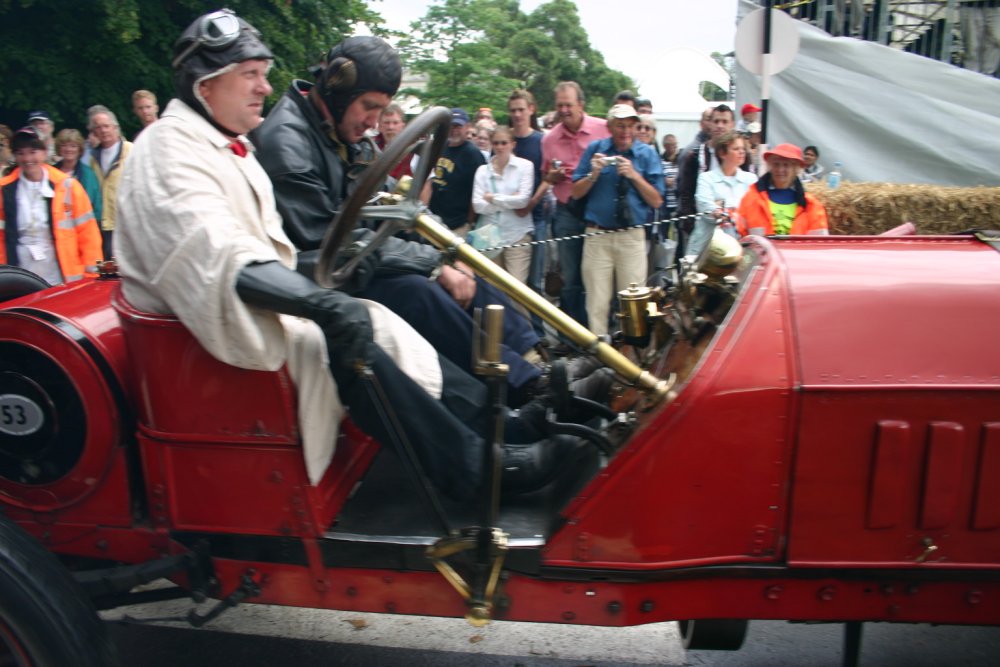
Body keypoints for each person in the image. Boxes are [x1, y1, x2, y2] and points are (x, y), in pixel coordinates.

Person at [116, 9, 586, 502]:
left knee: (376, 317)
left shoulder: (218, 145)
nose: (263, 87)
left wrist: (432, 257)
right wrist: (325, 303)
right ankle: (473, 467)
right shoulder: (170, 150)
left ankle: (503, 423)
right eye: (249, 75)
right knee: (358, 321)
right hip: (203, 328)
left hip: (240, 301)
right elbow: (221, 254)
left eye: (264, 74)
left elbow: (271, 247)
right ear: (204, 85)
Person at [251, 36, 563, 406]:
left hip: (355, 263)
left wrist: (449, 251)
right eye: (368, 107)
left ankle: (538, 360)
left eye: (380, 110)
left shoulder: (341, 133)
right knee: (420, 291)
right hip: (316, 279)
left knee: (469, 273)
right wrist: (434, 263)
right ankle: (527, 390)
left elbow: (400, 201)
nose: (372, 122)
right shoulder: (287, 143)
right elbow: (329, 242)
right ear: (337, 86)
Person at [570, 104, 664, 337]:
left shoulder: (647, 154)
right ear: (610, 127)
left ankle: (632, 355)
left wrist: (634, 175)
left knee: (633, 303)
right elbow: (575, 192)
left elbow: (656, 200)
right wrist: (593, 175)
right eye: (620, 125)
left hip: (631, 237)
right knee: (597, 302)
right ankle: (599, 357)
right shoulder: (596, 150)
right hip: (597, 235)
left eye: (630, 126)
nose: (625, 131)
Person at [538, 81, 611, 327]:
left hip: (598, 214)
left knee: (599, 276)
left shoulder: (604, 129)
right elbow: (545, 176)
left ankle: (601, 332)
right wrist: (552, 177)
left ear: (581, 104)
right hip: (567, 212)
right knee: (571, 278)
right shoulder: (549, 139)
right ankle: (573, 336)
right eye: (560, 105)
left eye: (568, 104)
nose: (564, 110)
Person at [0, 127, 101, 285]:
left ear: (44, 152)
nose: (27, 159)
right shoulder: (3, 189)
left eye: (33, 152)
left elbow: (88, 234)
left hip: (60, 274)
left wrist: (91, 275)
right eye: (20, 153)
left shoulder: (68, 186)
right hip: (19, 275)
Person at [471, 125, 534, 284]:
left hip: (517, 236)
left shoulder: (525, 166)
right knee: (493, 289)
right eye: (496, 143)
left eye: (504, 143)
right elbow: (477, 205)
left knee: (517, 289)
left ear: (513, 144)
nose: (500, 147)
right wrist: (509, 200)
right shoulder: (482, 171)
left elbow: (523, 200)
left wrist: (492, 198)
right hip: (489, 237)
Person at [689, 131, 758, 259]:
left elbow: (754, 210)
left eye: (743, 148)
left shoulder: (751, 179)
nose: (742, 152)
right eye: (736, 149)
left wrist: (724, 205)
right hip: (707, 248)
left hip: (741, 248)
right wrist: (730, 210)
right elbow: (705, 207)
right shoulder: (706, 178)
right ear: (722, 153)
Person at [737, 143, 830, 237]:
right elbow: (739, 234)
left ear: (795, 169)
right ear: (771, 166)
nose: (780, 169)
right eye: (776, 164)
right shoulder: (751, 198)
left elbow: (820, 244)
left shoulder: (811, 205)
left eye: (786, 165)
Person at [426, 108, 487, 235]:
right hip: (433, 221)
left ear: (467, 127)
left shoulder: (473, 155)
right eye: (451, 126)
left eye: (458, 126)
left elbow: (478, 191)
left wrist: (469, 223)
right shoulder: (438, 147)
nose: (454, 130)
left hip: (457, 224)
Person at [85, 105, 132, 259]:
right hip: (101, 223)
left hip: (125, 222)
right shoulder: (91, 158)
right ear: (94, 131)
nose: (103, 130)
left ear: (115, 127)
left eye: (106, 126)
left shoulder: (131, 150)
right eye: (98, 127)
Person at [54, 129, 102, 222]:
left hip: (81, 225)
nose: (68, 149)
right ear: (59, 148)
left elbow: (94, 205)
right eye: (64, 145)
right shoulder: (52, 171)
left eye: (73, 146)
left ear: (80, 150)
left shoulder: (87, 174)